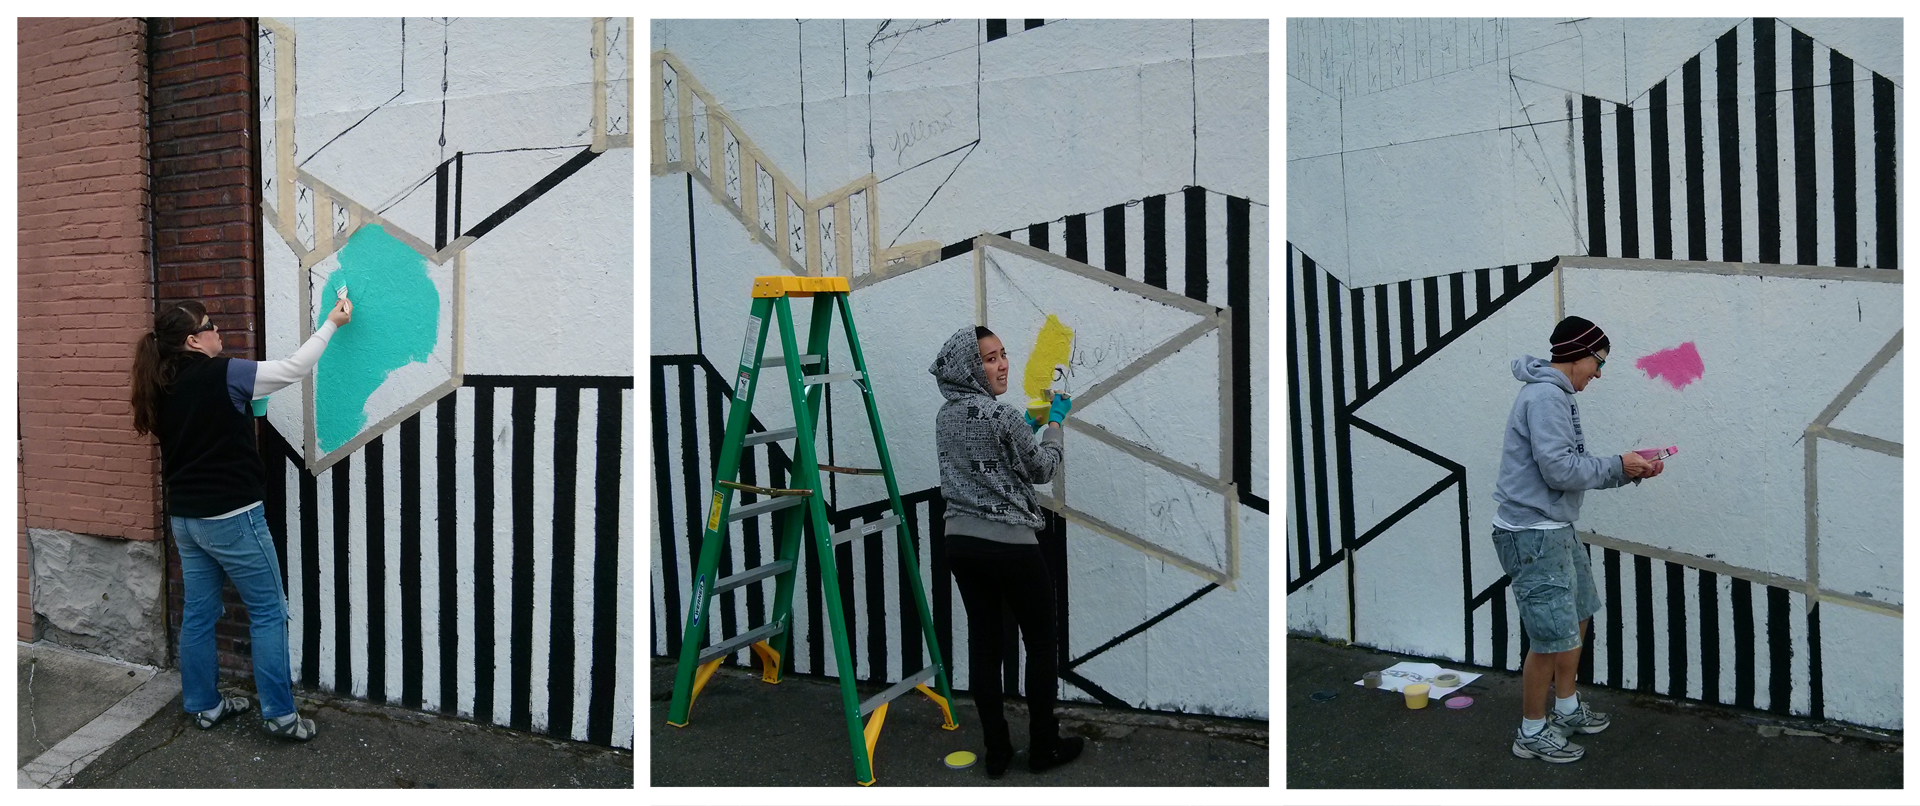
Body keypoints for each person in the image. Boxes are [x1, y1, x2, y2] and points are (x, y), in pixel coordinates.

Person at [131, 297, 354, 741]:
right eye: (210, 325)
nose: (218, 331)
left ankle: (204, 706)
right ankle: (281, 716)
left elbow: (204, 432)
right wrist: (331, 322)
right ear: (193, 340)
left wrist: (246, 412)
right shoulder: (224, 372)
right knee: (269, 611)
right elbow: (294, 368)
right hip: (233, 517)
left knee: (198, 613)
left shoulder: (160, 382)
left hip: (187, 519)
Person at [1492, 315, 1664, 763]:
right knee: (1550, 636)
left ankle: (1566, 708)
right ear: (1577, 354)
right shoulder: (1545, 397)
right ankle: (1531, 732)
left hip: (1553, 528)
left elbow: (1566, 468)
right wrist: (1619, 466)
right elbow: (1560, 471)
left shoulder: (1556, 394)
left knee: (1578, 614)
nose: (1599, 373)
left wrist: (1628, 471)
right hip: (1532, 535)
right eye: (1598, 362)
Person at [928, 325, 1082, 777]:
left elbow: (986, 460)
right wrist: (1054, 425)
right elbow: (1042, 469)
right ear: (970, 368)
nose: (1002, 365)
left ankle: (996, 753)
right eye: (989, 359)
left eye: (1002, 354)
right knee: (1040, 643)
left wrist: (1025, 430)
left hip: (960, 544)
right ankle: (1043, 747)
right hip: (1011, 547)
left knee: (985, 646)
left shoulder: (945, 416)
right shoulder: (1002, 416)